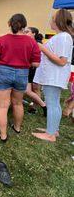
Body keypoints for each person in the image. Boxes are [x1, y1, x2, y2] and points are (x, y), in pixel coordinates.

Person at [0, 14, 41, 142]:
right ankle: (17, 128)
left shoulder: (1, 40)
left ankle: (3, 135)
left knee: (2, 106)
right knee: (18, 103)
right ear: (24, 26)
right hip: (22, 73)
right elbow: (36, 64)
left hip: (4, 72)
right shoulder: (31, 42)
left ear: (9, 24)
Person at [32, 9, 74, 142]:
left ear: (58, 21)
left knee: (52, 103)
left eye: (53, 18)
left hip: (54, 76)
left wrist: (42, 48)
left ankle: (50, 135)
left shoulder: (64, 37)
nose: (51, 20)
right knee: (54, 103)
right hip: (53, 76)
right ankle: (53, 130)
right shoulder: (62, 36)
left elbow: (62, 61)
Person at [24, 27, 47, 116]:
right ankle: (40, 106)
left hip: (36, 69)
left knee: (35, 88)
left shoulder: (37, 44)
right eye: (24, 31)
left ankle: (36, 107)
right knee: (30, 90)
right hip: (31, 69)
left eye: (27, 32)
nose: (25, 33)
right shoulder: (29, 43)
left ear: (33, 33)